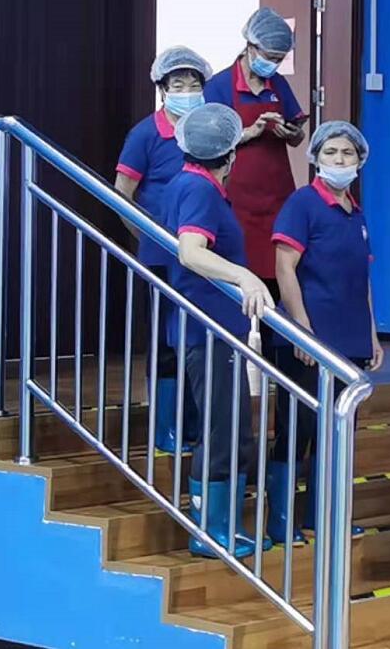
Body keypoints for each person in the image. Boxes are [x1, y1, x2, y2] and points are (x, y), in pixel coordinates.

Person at [165, 103, 275, 560]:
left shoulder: (193, 184)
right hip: (206, 329)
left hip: (213, 329)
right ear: (231, 155)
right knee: (222, 430)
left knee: (231, 428)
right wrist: (244, 276)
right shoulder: (198, 189)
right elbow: (191, 251)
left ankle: (225, 525)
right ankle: (210, 530)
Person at [266, 121, 383, 543]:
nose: (339, 160)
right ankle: (282, 522)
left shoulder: (356, 214)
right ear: (316, 157)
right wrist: (302, 330)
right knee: (297, 431)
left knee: (337, 433)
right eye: (331, 152)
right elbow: (285, 267)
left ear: (360, 159)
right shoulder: (302, 204)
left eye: (347, 153)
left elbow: (362, 280)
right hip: (308, 341)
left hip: (349, 340)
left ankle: (325, 517)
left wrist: (371, 334)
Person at [115, 45, 212, 454]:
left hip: (202, 256)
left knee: (196, 342)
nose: (187, 91)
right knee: (166, 345)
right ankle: (166, 429)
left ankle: (195, 424)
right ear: (162, 89)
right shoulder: (145, 134)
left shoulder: (206, 130)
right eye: (178, 84)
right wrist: (150, 239)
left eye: (193, 84)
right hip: (161, 257)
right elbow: (122, 194)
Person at [203, 7, 308, 302]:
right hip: (236, 199)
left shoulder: (279, 85)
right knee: (241, 273)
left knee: (279, 274)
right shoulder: (218, 87)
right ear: (250, 46)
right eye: (269, 56)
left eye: (279, 59)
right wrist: (248, 132)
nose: (272, 64)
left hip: (277, 197)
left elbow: (298, 136)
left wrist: (291, 133)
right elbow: (206, 144)